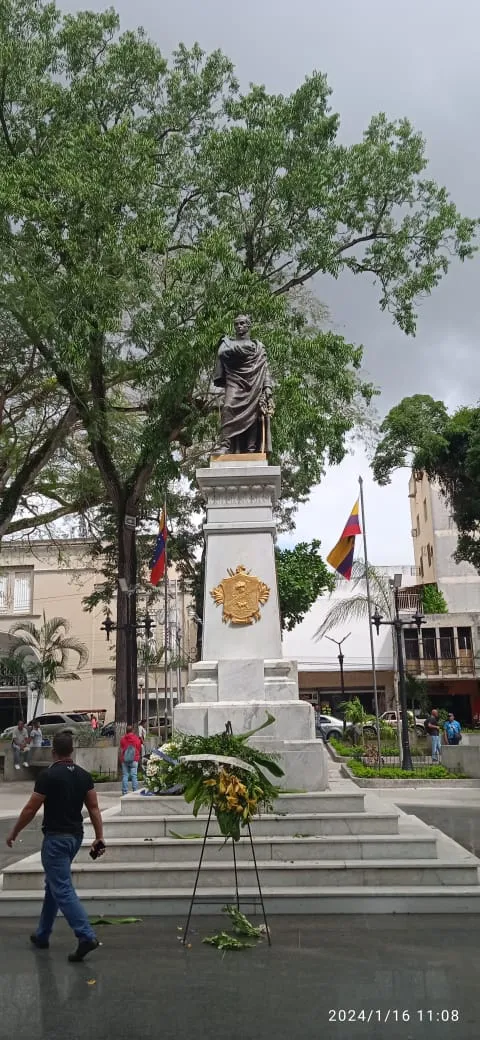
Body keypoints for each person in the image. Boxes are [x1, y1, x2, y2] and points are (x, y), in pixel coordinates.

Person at [5, 731, 105, 962]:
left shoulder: (48, 776)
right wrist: (99, 836)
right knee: (54, 884)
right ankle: (42, 934)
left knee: (62, 888)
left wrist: (15, 831)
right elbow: (94, 808)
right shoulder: (83, 775)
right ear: (72, 751)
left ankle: (86, 935)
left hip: (56, 840)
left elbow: (31, 809)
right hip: (75, 838)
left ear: (53, 752)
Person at [213, 314, 274, 455]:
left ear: (248, 325)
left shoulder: (258, 347)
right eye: (236, 324)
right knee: (228, 407)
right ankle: (225, 445)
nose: (239, 326)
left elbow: (265, 369)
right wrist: (237, 349)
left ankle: (251, 449)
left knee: (253, 415)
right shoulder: (227, 343)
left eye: (242, 323)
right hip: (234, 381)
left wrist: (268, 387)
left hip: (254, 382)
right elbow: (222, 353)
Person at [120, 725, 142, 795]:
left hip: (125, 759)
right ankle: (135, 790)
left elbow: (122, 748)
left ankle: (124, 791)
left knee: (125, 775)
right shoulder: (136, 739)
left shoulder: (123, 739)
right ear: (132, 731)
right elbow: (139, 748)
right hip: (134, 759)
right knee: (134, 775)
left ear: (126, 731)